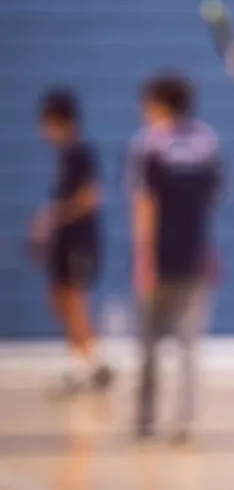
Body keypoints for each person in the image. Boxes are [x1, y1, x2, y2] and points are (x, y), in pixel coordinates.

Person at [127, 73, 222, 443]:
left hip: (162, 258)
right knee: (189, 346)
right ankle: (185, 422)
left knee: (149, 344)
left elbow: (144, 205)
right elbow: (208, 205)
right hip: (195, 256)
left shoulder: (148, 144)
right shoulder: (207, 142)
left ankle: (145, 419)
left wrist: (143, 259)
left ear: (159, 103)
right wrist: (210, 250)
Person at [32, 88, 114, 396]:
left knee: (75, 301)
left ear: (58, 120)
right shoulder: (66, 155)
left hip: (81, 242)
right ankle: (93, 363)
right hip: (65, 242)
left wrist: (52, 217)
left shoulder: (81, 152)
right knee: (58, 299)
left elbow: (90, 197)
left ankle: (83, 370)